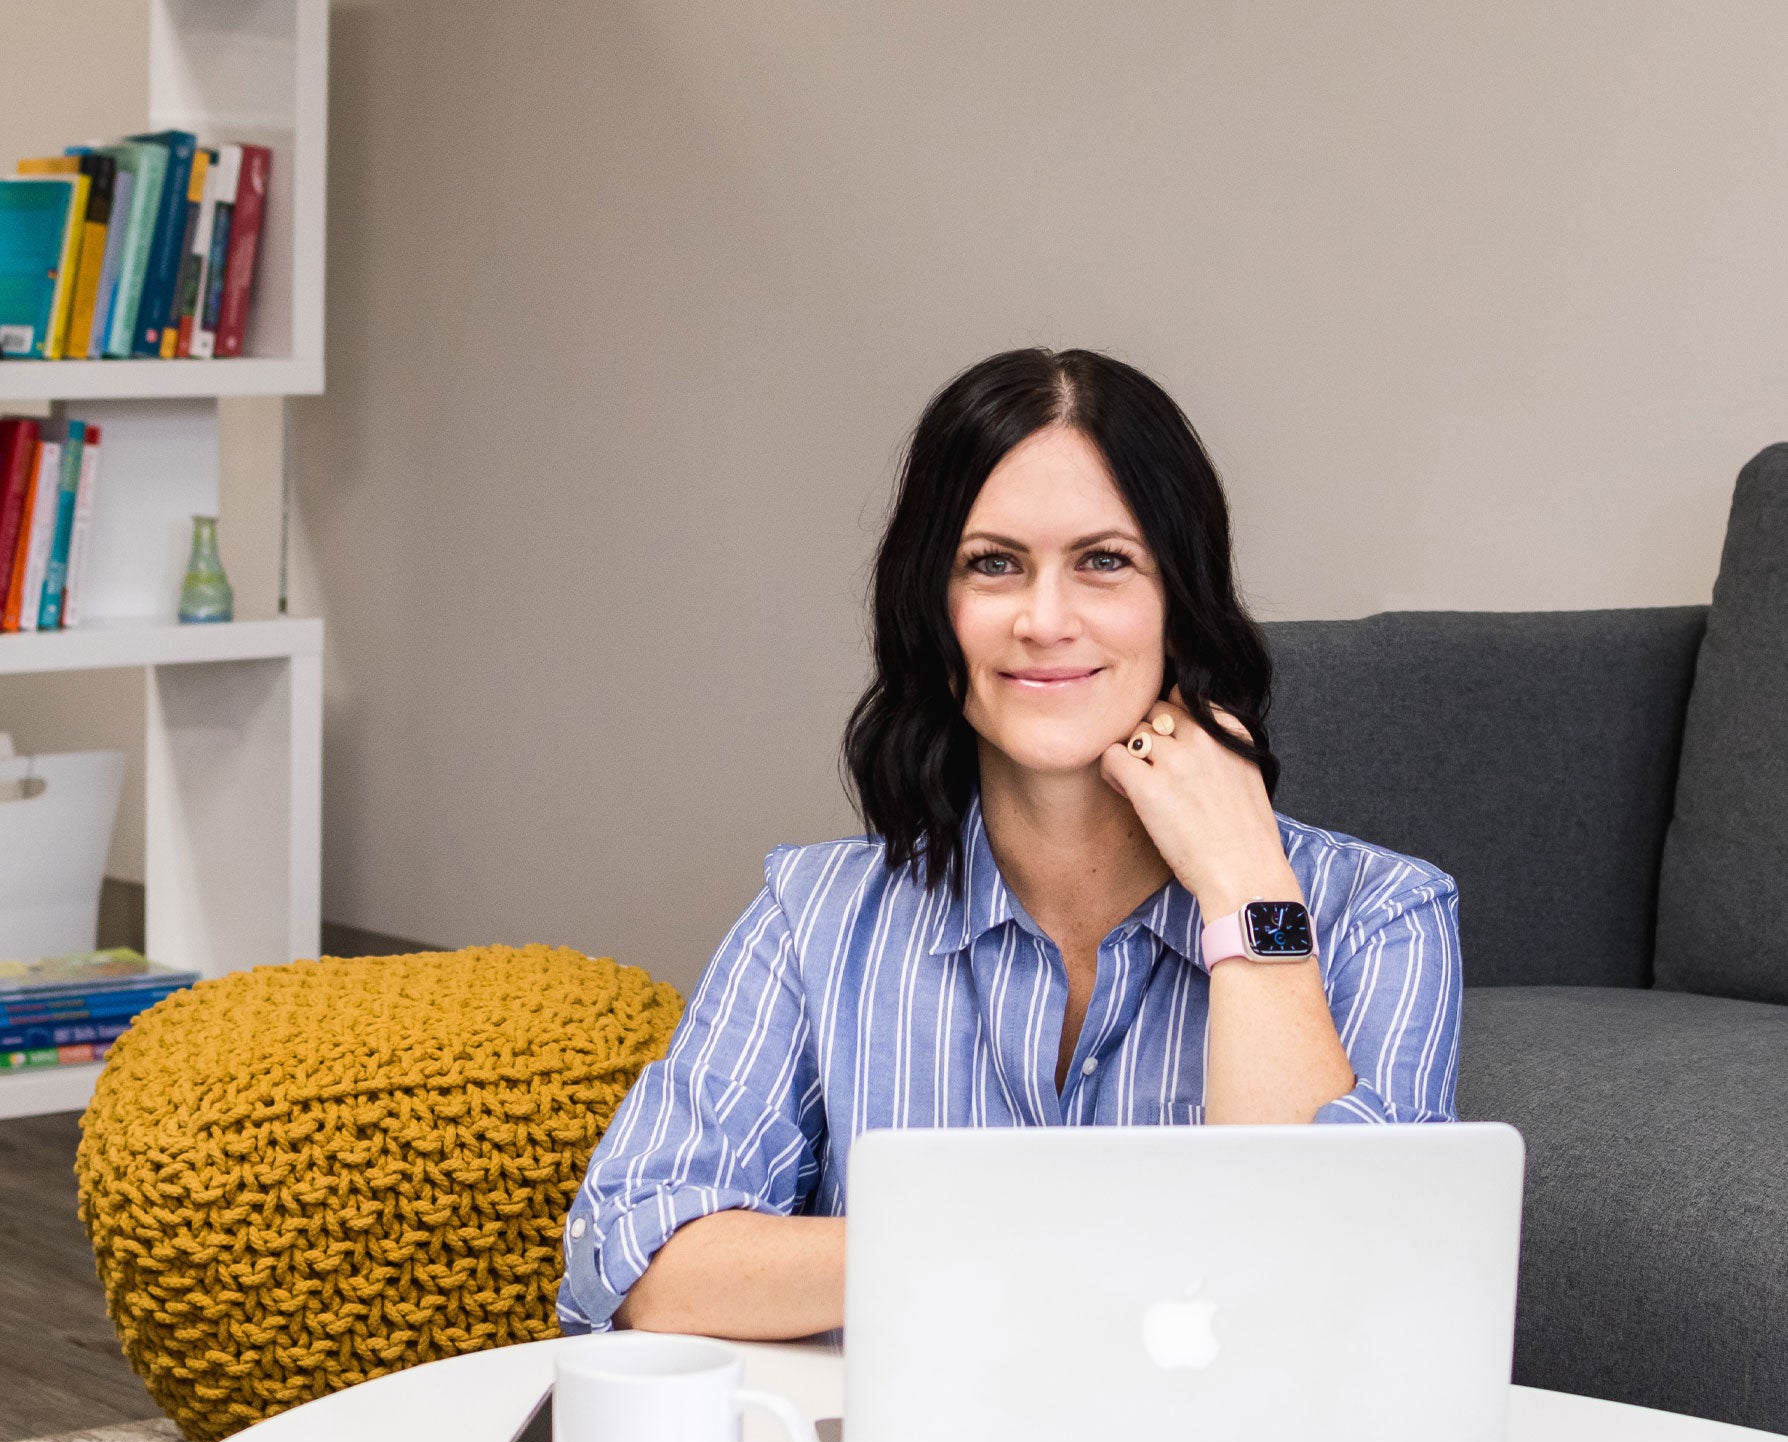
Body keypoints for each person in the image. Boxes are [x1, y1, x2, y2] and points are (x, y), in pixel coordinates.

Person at [556, 347, 1460, 1341]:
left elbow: (1332, 1292)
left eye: (1104, 562)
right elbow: (638, 1255)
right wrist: (1013, 1234)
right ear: (934, 611)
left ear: (1180, 601)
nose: (1043, 620)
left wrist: (1245, 882)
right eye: (994, 565)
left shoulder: (1383, 916)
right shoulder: (813, 915)